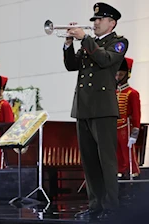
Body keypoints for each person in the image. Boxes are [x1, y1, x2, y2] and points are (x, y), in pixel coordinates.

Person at [63, 2, 129, 220]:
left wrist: (85, 38)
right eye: (94, 20)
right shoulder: (90, 44)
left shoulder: (118, 43)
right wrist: (68, 44)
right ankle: (95, 205)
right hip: (83, 108)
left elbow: (105, 59)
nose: (95, 23)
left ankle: (111, 205)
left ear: (112, 22)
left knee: (106, 160)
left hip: (102, 108)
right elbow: (72, 65)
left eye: (100, 20)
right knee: (89, 160)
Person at [115, 57, 141, 199]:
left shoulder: (132, 93)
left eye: (121, 73)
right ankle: (120, 179)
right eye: (117, 73)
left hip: (126, 128)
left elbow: (136, 115)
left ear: (127, 74)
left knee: (128, 157)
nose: (118, 76)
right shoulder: (113, 92)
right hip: (114, 128)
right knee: (117, 156)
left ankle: (133, 180)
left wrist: (134, 134)